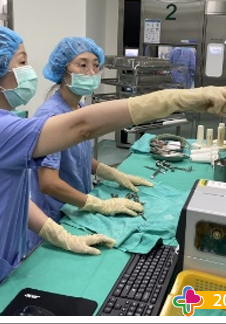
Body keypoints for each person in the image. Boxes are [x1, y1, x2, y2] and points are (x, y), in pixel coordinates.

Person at [0, 25, 226, 315]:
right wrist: (174, 99)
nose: (29, 70)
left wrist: (58, 234)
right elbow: (82, 127)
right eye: (21, 62)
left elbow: (13, 199)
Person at [27, 37, 153, 252]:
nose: (91, 72)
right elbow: (48, 183)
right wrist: (98, 204)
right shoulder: (51, 116)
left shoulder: (78, 107)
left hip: (75, 208)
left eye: (95, 65)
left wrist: (110, 172)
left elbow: (76, 154)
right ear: (63, 70)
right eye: (82, 65)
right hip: (55, 222)